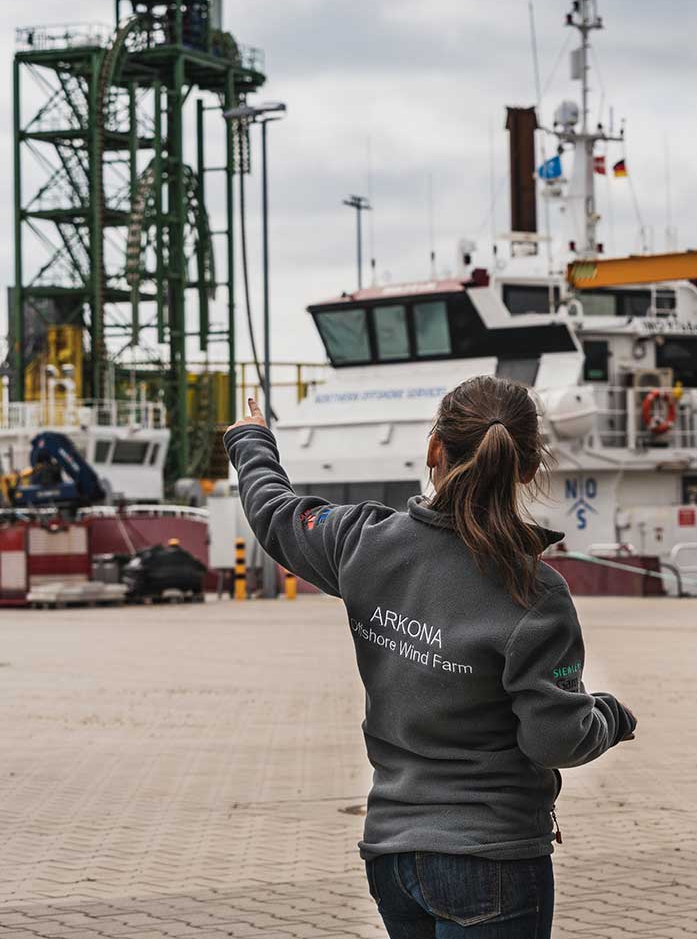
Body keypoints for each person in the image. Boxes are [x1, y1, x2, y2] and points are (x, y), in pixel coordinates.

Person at [226, 375, 636, 938]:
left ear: (433, 449)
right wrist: (609, 717)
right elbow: (555, 739)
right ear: (525, 469)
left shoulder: (362, 542)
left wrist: (251, 442)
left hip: (393, 856)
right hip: (492, 858)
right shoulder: (533, 592)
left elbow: (276, 514)